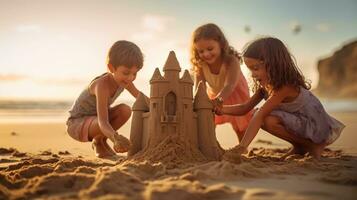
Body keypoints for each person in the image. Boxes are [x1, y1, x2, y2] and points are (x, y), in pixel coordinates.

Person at [218, 37, 345, 159]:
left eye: (255, 68)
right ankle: (299, 147)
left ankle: (313, 146)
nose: (253, 75)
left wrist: (241, 147)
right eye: (250, 70)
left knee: (264, 118)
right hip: (299, 123)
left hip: (315, 127)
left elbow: (260, 115)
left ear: (273, 65)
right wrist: (219, 108)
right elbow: (244, 108)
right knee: (259, 115)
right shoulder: (265, 87)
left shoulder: (285, 87)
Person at [66, 40, 144, 158]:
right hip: (77, 123)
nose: (130, 78)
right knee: (103, 121)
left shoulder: (125, 81)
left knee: (125, 110)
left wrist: (159, 104)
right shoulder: (101, 85)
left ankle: (100, 141)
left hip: (96, 121)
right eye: (126, 73)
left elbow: (141, 98)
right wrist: (115, 138)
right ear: (111, 68)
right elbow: (103, 121)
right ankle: (98, 142)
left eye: (134, 74)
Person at [190, 23, 253, 142]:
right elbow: (199, 88)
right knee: (208, 118)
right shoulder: (201, 66)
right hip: (215, 94)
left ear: (221, 44)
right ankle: (208, 143)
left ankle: (242, 147)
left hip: (235, 93)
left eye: (210, 49)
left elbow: (230, 85)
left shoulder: (231, 61)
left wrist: (219, 100)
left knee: (239, 125)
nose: (206, 54)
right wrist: (197, 101)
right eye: (201, 51)